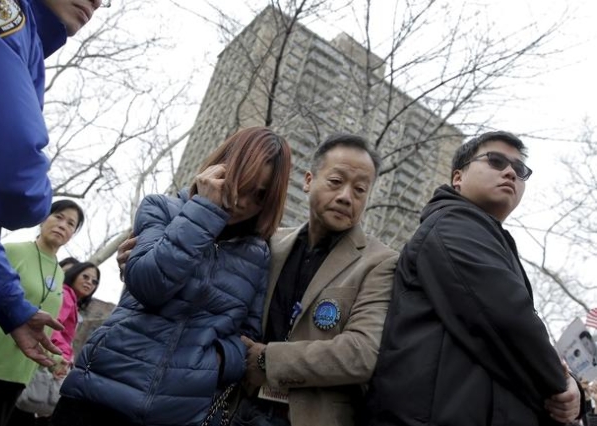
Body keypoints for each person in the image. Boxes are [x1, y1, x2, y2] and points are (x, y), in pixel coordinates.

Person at [50, 126, 292, 426]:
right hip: (97, 394)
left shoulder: (258, 254)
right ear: (221, 169)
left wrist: (214, 361)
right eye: (242, 184)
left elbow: (248, 335)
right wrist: (205, 210)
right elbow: (149, 285)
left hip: (181, 413)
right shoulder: (161, 209)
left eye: (260, 195)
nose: (244, 202)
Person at [363, 131, 582, 426]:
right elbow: (509, 320)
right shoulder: (452, 226)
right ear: (458, 177)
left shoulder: (486, 237)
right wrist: (562, 384)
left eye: (520, 169)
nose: (510, 172)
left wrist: (571, 387)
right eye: (496, 161)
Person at [0, 0, 104, 367]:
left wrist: (12, 306)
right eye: (61, 217)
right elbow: (8, 172)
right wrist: (40, 201)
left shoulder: (25, 40)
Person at [229, 134, 399, 426]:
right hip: (237, 408)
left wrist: (267, 360)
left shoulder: (380, 262)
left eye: (360, 190)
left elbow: (361, 352)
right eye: (336, 181)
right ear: (308, 181)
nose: (346, 196)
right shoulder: (270, 243)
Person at [0, 199, 85, 426]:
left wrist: (55, 361)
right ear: (43, 219)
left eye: (70, 223)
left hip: (17, 374)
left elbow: (45, 327)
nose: (62, 225)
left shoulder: (59, 275)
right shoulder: (11, 251)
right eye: (58, 216)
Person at [10, 261, 101, 426]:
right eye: (85, 277)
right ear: (74, 275)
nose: (89, 282)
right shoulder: (66, 295)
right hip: (52, 357)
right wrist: (60, 357)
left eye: (94, 281)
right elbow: (54, 326)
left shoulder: (71, 299)